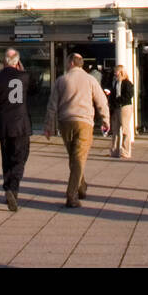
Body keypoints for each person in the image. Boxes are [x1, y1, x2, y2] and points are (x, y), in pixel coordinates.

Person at [44, 53, 110, 208]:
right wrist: (105, 120)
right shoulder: (90, 80)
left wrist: (48, 126)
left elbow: (52, 105)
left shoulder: (61, 80)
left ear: (71, 63)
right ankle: (72, 194)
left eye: (67, 61)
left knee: (74, 158)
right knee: (79, 158)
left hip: (65, 122)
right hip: (84, 122)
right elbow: (101, 101)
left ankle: (81, 187)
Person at [0, 48, 33, 211]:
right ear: (18, 62)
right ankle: (13, 188)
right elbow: (35, 92)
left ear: (4, 61)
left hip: (4, 125)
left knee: (6, 159)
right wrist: (22, 69)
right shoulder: (24, 77)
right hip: (21, 125)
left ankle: (8, 188)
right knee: (20, 158)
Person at [107, 64, 135, 159]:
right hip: (116, 107)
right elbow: (113, 94)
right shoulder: (115, 83)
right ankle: (114, 150)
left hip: (124, 107)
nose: (115, 73)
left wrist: (118, 100)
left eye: (116, 71)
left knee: (125, 129)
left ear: (121, 72)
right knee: (115, 129)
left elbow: (129, 96)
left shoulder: (127, 83)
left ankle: (126, 151)